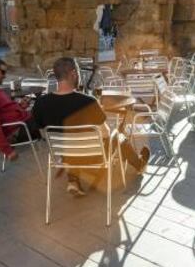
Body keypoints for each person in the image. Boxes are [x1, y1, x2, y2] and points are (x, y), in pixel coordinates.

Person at [33, 57, 150, 194]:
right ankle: (139, 165)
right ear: (73, 74)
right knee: (118, 136)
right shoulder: (88, 102)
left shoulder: (40, 103)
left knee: (72, 145)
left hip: (63, 155)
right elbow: (106, 134)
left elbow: (41, 133)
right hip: (94, 156)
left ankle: (73, 181)